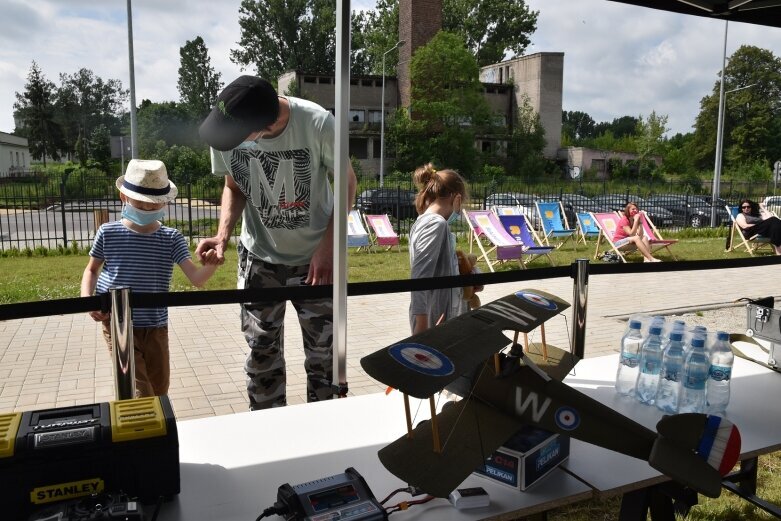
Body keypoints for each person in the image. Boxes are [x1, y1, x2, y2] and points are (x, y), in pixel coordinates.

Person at [196, 75, 357, 410]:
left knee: (324, 358)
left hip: (317, 260)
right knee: (261, 354)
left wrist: (328, 248)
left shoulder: (317, 123)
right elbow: (234, 186)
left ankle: (325, 432)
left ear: (262, 127)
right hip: (259, 260)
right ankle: (267, 431)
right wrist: (223, 235)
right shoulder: (228, 133)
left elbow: (347, 184)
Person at [81, 159, 218, 398]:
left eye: (153, 205)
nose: (146, 209)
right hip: (119, 322)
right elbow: (91, 270)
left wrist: (210, 265)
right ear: (124, 198)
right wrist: (87, 300)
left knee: (159, 387)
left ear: (164, 203)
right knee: (138, 391)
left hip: (155, 325)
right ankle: (139, 430)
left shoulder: (171, 238)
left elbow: (196, 278)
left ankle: (156, 429)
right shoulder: (108, 232)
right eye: (141, 203)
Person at [409, 163, 471, 335]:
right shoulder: (435, 224)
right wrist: (421, 325)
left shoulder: (427, 220)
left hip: (437, 316)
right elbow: (420, 277)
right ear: (456, 197)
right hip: (433, 320)